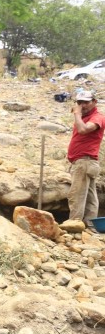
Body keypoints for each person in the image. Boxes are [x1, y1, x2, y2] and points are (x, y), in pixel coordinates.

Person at [60, 90, 105, 232]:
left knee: (77, 194)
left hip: (85, 161)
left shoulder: (97, 117)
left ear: (94, 102)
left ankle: (74, 225)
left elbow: (83, 130)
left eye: (86, 102)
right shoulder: (85, 117)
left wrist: (77, 114)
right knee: (90, 196)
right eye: (79, 102)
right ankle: (92, 227)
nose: (82, 105)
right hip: (86, 162)